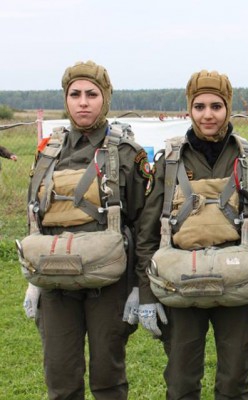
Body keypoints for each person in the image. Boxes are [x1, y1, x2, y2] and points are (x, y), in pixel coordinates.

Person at [135, 70, 248, 399]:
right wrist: (146, 294)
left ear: (228, 108)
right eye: (199, 106)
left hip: (238, 283)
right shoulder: (170, 161)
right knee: (181, 381)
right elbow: (148, 233)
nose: (208, 115)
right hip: (180, 283)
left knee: (234, 381)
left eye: (216, 106)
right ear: (189, 109)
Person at [20, 60, 151, 399]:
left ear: (105, 98)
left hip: (108, 282)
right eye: (75, 94)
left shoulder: (127, 154)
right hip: (54, 278)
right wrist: (33, 279)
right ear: (65, 99)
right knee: (60, 376)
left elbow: (144, 225)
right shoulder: (48, 152)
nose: (82, 102)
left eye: (91, 94)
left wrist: (139, 287)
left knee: (108, 378)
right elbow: (36, 214)